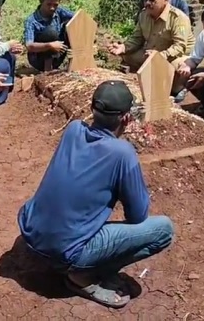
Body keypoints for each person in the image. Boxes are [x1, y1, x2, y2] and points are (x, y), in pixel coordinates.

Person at [17, 80, 174, 309]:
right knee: (164, 230)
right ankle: (83, 275)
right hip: (65, 252)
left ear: (92, 109)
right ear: (126, 118)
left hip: (31, 234)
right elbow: (138, 215)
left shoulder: (73, 130)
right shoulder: (122, 152)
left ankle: (71, 261)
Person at [108, 0, 194, 95]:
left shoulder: (178, 18)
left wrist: (161, 55)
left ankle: (178, 89)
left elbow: (179, 47)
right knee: (128, 55)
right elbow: (137, 38)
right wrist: (123, 47)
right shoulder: (144, 15)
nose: (147, 3)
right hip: (151, 54)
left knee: (179, 68)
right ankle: (144, 79)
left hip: (173, 57)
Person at [24, 0, 76, 72]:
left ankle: (74, 63)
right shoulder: (32, 20)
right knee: (50, 32)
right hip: (39, 59)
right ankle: (47, 71)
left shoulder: (59, 11)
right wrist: (50, 45)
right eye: (48, 4)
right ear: (41, 1)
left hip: (59, 53)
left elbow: (79, 17)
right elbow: (29, 46)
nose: (52, 8)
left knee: (70, 24)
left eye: (55, 5)